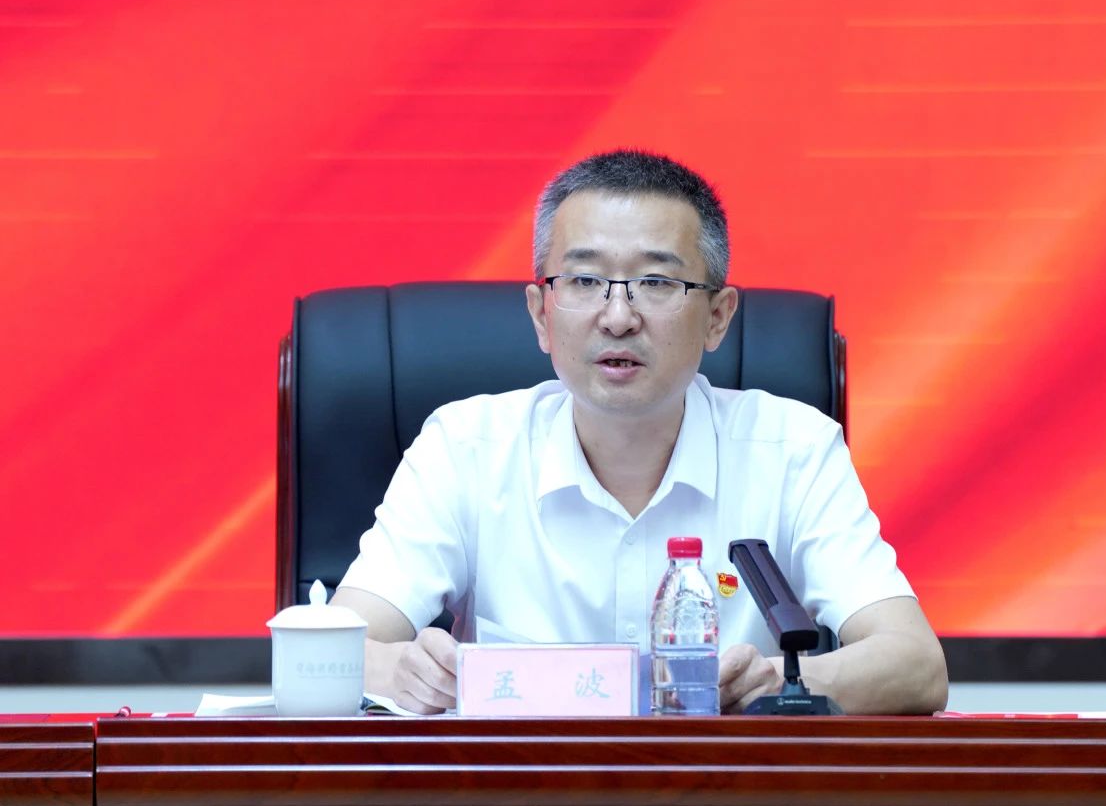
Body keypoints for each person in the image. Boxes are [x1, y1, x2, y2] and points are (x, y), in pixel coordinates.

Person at [331, 149, 948, 715]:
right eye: (584, 280)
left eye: (656, 283)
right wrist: (406, 671)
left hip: (719, 791)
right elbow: (337, 651)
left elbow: (916, 665)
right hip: (518, 793)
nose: (619, 317)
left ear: (718, 317)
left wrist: (781, 684)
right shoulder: (464, 448)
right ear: (541, 315)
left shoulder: (794, 450)